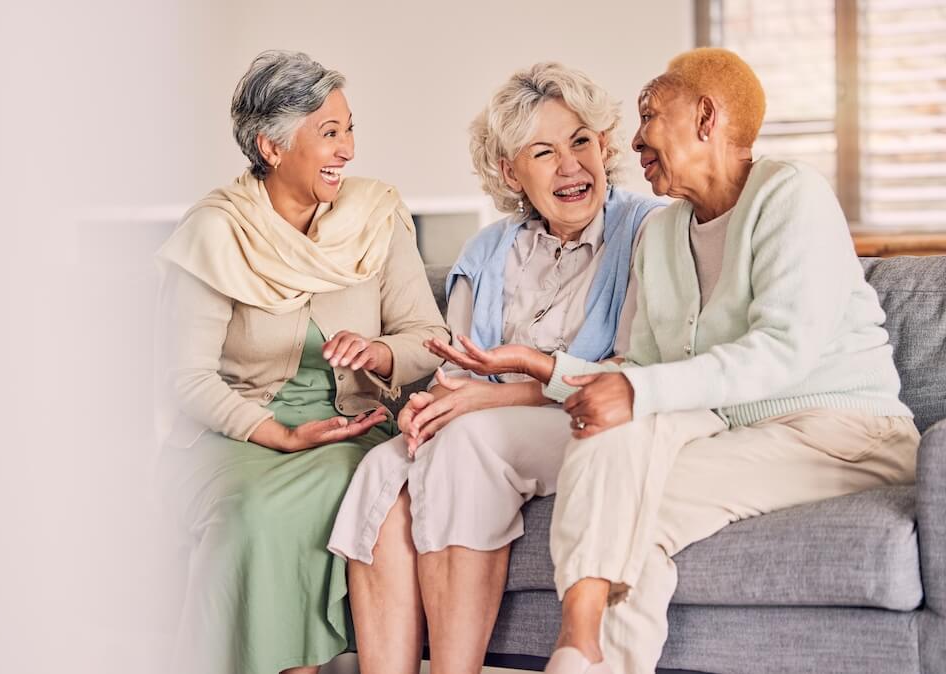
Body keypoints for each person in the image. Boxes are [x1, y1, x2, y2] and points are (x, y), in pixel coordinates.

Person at [433, 48, 918, 674]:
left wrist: (633, 391)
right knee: (629, 481)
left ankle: (577, 648)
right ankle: (585, 653)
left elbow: (782, 351)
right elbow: (636, 367)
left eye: (648, 115)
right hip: (741, 428)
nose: (631, 140)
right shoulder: (662, 234)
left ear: (706, 117)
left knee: (633, 462)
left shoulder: (791, 196)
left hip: (845, 433)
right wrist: (542, 366)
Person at [327, 62, 665, 674]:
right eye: (544, 152)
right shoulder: (485, 251)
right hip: (491, 426)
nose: (571, 166)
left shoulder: (646, 231)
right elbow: (451, 370)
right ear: (511, 171)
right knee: (383, 468)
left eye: (581, 142)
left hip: (590, 423)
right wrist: (430, 406)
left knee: (467, 443)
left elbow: (631, 371)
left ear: (604, 145)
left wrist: (484, 402)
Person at [155, 50, 447, 674]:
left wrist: (380, 351)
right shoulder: (216, 231)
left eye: (349, 130)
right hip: (237, 431)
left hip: (355, 428)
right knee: (253, 516)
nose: (347, 151)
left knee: (355, 485)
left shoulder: (375, 216)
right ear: (271, 147)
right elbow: (188, 377)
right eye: (329, 133)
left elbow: (428, 335)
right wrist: (280, 434)